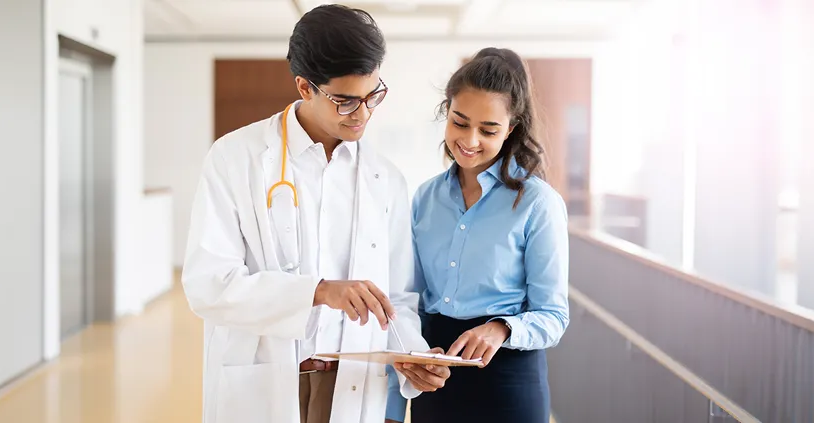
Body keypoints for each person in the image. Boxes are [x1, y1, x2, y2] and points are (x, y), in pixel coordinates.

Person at [181, 5, 449, 423]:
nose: (362, 114)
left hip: (354, 382)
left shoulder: (386, 179)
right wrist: (319, 291)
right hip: (268, 381)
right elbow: (208, 285)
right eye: (344, 101)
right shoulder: (235, 159)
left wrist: (411, 354)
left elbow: (397, 297)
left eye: (373, 95)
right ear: (305, 87)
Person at [399, 47, 570, 423]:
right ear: (446, 113)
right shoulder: (425, 198)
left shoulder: (538, 203)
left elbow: (554, 316)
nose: (470, 140)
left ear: (510, 130)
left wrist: (501, 328)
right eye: (460, 122)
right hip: (436, 376)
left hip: (508, 382)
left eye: (488, 130)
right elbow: (411, 299)